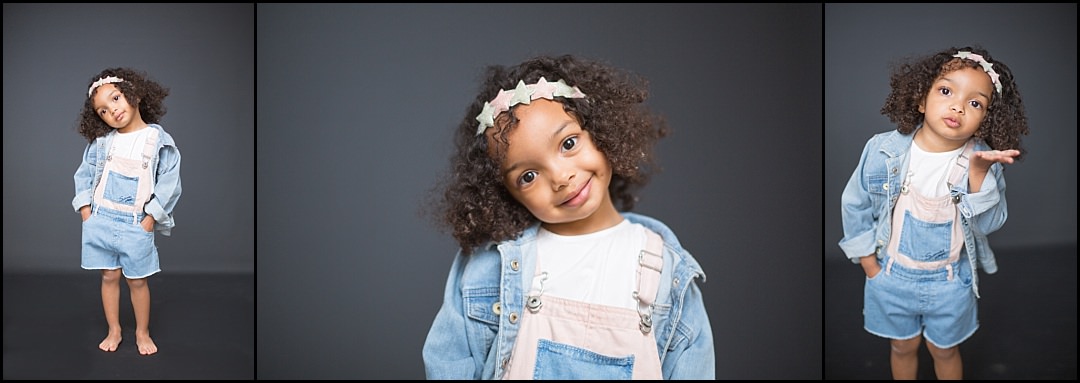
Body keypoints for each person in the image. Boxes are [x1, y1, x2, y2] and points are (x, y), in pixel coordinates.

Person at [421, 54, 715, 379]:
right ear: (505, 194)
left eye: (569, 143)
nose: (560, 177)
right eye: (528, 176)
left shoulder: (668, 274)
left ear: (601, 131)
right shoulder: (492, 266)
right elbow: (449, 362)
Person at [839, 46, 1029, 379]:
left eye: (975, 103)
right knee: (902, 347)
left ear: (986, 119)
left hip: (950, 282)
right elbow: (855, 204)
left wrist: (978, 178)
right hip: (891, 276)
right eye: (946, 91)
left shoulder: (981, 160)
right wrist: (870, 265)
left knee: (945, 350)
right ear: (921, 99)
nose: (958, 105)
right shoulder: (884, 150)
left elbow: (990, 224)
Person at [72, 67, 182, 356]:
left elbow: (169, 184)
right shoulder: (104, 142)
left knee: (137, 280)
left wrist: (150, 219)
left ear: (133, 93)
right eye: (103, 111)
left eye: (116, 98)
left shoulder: (158, 140)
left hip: (136, 224)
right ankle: (114, 329)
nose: (113, 111)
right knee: (109, 276)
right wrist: (86, 211)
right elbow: (84, 175)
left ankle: (142, 332)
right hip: (101, 221)